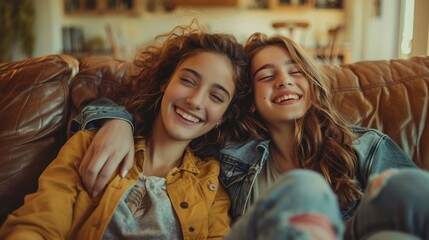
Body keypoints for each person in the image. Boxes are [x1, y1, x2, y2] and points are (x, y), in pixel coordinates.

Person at [70, 32, 429, 239]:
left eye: (295, 71)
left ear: (311, 84)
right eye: (266, 76)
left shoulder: (365, 147)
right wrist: (117, 121)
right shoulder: (228, 150)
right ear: (251, 102)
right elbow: (151, 110)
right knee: (306, 188)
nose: (284, 81)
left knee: (404, 194)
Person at [0, 22, 251, 239]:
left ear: (223, 117)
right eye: (187, 80)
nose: (195, 100)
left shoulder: (212, 185)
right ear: (166, 81)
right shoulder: (89, 144)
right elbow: (37, 224)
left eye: (216, 96)